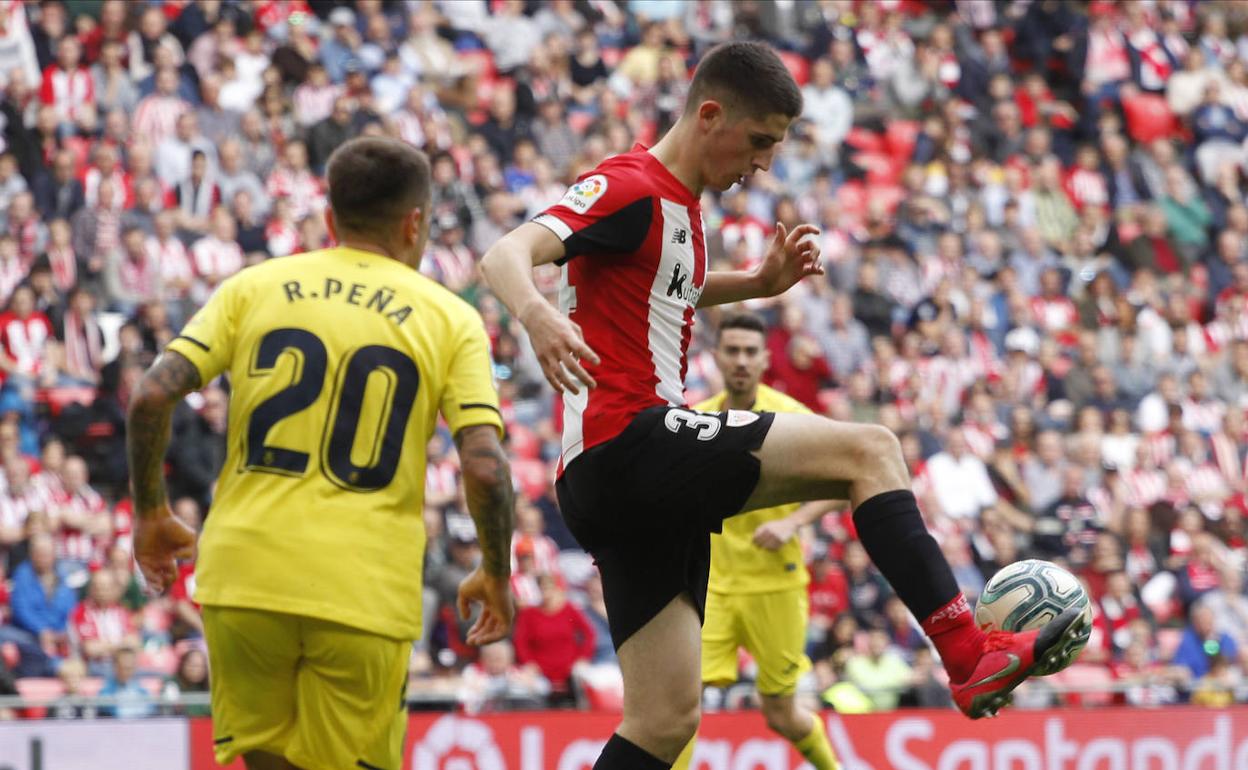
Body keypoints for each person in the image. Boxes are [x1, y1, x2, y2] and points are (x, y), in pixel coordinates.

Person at [481, 41, 1085, 769]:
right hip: (627, 442)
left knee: (664, 722)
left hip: (618, 486)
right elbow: (506, 252)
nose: (762, 163)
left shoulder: (679, 210)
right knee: (872, 450)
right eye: (759, 141)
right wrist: (537, 315)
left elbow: (663, 286)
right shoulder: (630, 185)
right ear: (710, 116)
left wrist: (756, 284)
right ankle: (965, 652)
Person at [125, 137, 516, 770]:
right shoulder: (450, 318)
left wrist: (149, 512)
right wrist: (496, 570)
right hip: (361, 586)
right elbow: (484, 466)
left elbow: (149, 397)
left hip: (244, 576)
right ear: (414, 222)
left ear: (330, 217)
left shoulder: (252, 287)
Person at [673, 312, 839, 770]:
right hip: (714, 589)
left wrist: (793, 523)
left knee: (781, 713)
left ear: (766, 359)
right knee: (681, 705)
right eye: (733, 351)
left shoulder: (792, 419)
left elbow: (841, 483)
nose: (741, 361)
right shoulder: (697, 419)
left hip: (777, 585)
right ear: (717, 357)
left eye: (750, 352)